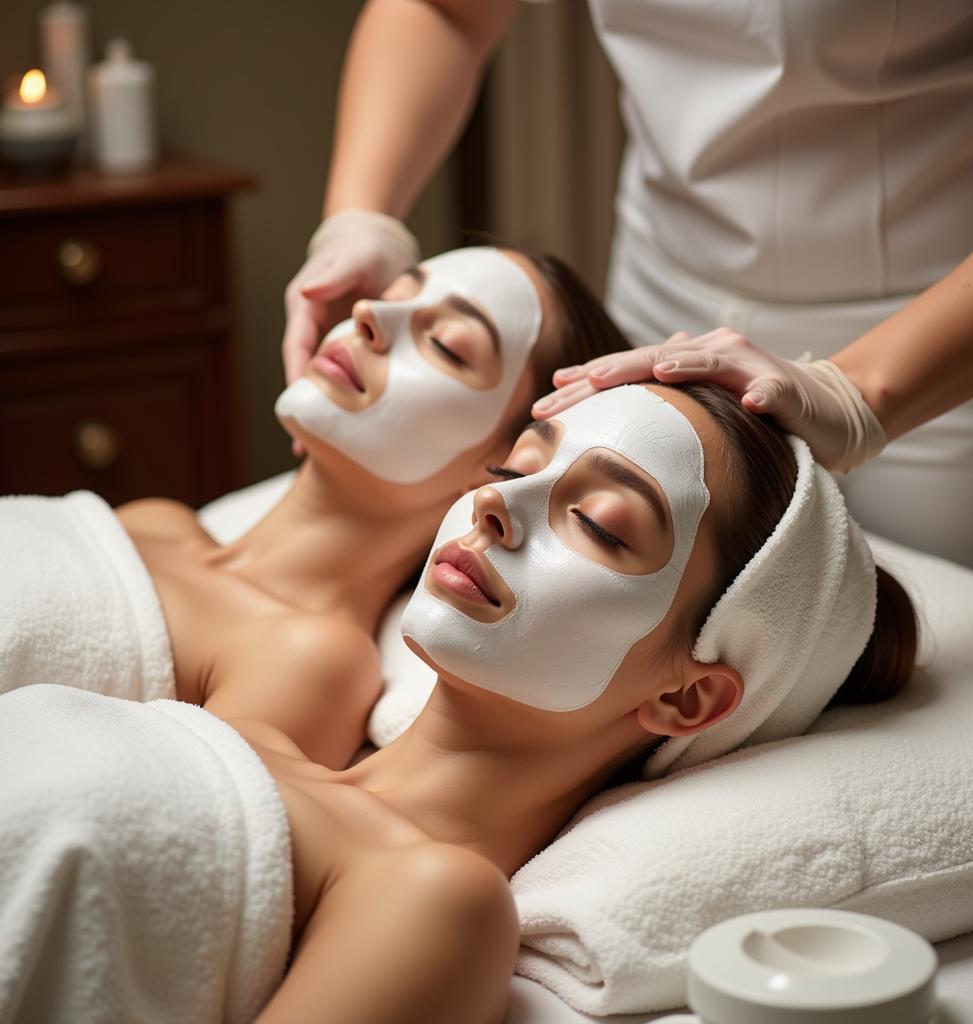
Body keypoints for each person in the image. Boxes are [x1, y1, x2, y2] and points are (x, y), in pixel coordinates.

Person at [0, 382, 918, 1022]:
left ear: (688, 698)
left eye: (599, 522)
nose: (496, 507)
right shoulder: (248, 736)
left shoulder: (439, 900)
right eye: (514, 465)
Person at [281, 0, 973, 587]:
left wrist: (858, 393)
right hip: (659, 304)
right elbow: (448, 8)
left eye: (450, 341)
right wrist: (361, 217)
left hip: (956, 335)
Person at [1, 245, 628, 770]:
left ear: (502, 459)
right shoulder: (155, 519)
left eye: (447, 343)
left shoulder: (312, 660)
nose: (369, 314)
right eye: (397, 291)